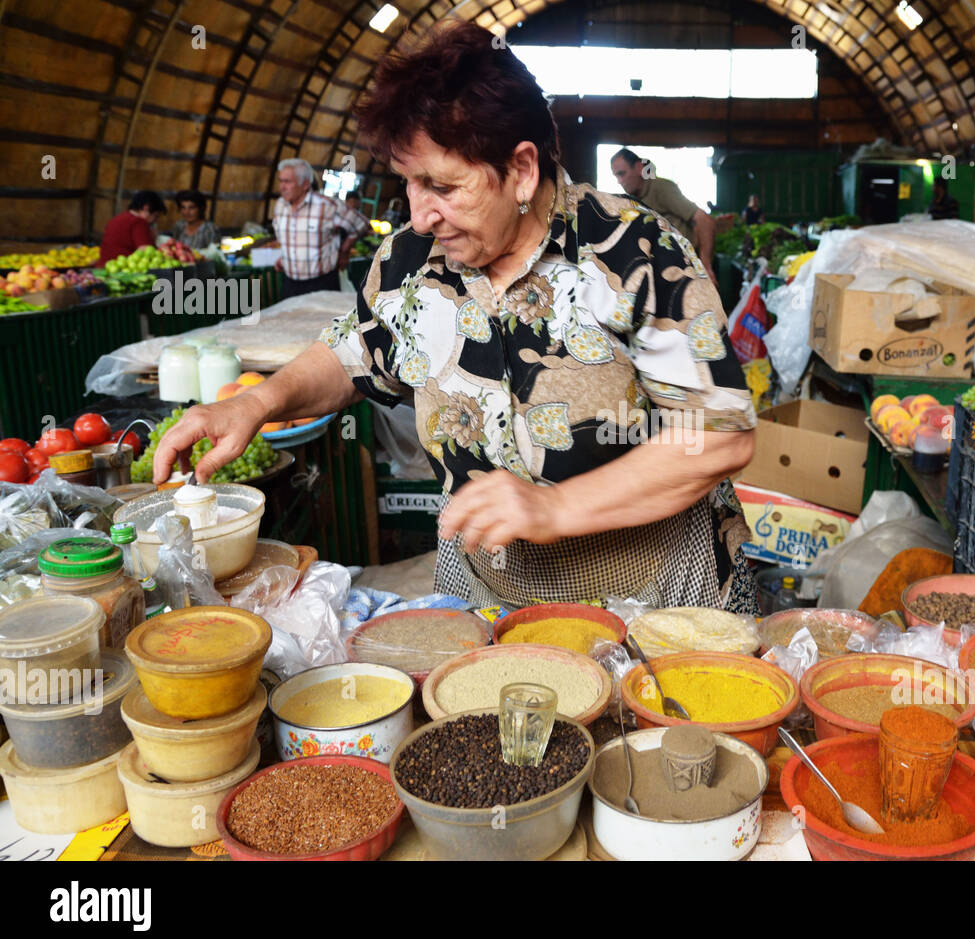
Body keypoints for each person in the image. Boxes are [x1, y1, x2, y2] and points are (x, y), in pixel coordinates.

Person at [152, 20, 758, 613]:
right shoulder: (411, 258)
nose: (419, 215)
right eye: (407, 185)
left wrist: (555, 508)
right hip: (484, 593)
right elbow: (353, 351)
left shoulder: (632, 249)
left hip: (650, 596)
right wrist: (255, 404)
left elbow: (718, 433)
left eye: (440, 185)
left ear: (521, 170)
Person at [610, 148, 717, 284]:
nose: (620, 181)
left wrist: (705, 266)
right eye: (616, 176)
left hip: (684, 274)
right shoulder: (631, 202)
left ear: (638, 167)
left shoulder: (661, 188)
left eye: (622, 174)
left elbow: (705, 220)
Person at [272, 158, 371, 298]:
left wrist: (344, 251)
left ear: (305, 184)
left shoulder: (327, 206)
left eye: (288, 182)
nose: (282, 186)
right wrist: (285, 258)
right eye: (280, 181)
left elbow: (361, 224)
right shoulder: (281, 205)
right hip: (290, 284)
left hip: (321, 283)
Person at [96, 190, 165, 266]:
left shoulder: (117, 219)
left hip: (104, 266)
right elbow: (145, 249)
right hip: (121, 270)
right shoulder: (139, 222)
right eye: (156, 216)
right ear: (146, 208)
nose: (155, 220)